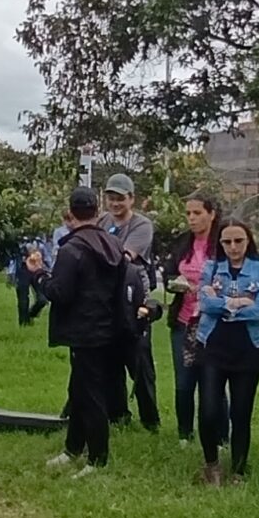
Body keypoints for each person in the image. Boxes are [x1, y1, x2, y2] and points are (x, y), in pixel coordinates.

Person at [39, 184, 125, 475]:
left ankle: (97, 458)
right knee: (79, 389)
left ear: (71, 213)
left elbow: (60, 292)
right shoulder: (113, 245)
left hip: (83, 331)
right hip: (109, 329)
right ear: (97, 212)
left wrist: (39, 276)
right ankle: (73, 448)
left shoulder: (72, 248)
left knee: (90, 394)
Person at [195, 217, 259, 484]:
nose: (233, 247)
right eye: (227, 241)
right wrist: (237, 302)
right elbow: (205, 304)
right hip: (213, 344)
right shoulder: (211, 267)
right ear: (220, 243)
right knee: (208, 410)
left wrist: (221, 302)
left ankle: (239, 470)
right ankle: (211, 465)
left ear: (248, 240)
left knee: (241, 412)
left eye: (238, 240)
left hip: (248, 347)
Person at [102, 173, 162, 431]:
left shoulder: (141, 225)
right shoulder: (103, 220)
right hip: (107, 299)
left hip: (134, 297)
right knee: (110, 362)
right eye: (111, 198)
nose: (115, 204)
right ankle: (118, 416)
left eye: (120, 199)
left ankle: (150, 420)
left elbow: (124, 256)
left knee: (140, 364)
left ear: (131, 199)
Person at [163, 193, 220, 443]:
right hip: (184, 321)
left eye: (197, 213)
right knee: (184, 382)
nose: (192, 218)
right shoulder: (182, 243)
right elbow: (167, 277)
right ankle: (184, 435)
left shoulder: (223, 242)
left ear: (211, 214)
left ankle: (220, 437)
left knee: (215, 381)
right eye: (188, 213)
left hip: (215, 323)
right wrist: (178, 284)